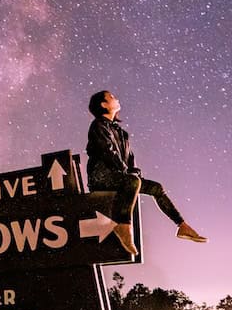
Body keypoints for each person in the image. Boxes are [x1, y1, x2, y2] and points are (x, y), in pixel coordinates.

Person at [86, 89, 207, 256]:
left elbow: (130, 160)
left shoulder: (122, 133)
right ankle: (123, 225)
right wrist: (129, 175)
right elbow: (108, 152)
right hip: (101, 177)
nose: (116, 97)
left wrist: (135, 174)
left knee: (156, 187)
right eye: (111, 97)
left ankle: (182, 226)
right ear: (103, 104)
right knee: (132, 181)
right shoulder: (98, 126)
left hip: (122, 177)